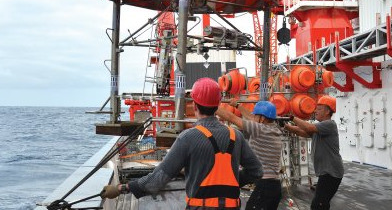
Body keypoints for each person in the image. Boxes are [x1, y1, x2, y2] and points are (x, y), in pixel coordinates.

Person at [101, 77, 263, 209]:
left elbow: (158, 179)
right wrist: (232, 182)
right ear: (218, 105)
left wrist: (124, 188)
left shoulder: (188, 138)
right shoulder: (236, 136)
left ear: (194, 105)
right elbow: (256, 171)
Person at [216, 99, 283, 210]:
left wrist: (209, 105)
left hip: (266, 186)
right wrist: (237, 105)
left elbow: (232, 118)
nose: (253, 118)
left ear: (262, 119)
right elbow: (252, 118)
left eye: (256, 116)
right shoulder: (273, 128)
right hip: (269, 184)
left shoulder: (260, 129)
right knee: (231, 181)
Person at [284, 95, 344, 210]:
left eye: (319, 109)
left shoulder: (329, 124)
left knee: (318, 205)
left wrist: (292, 118)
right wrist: (287, 127)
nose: (315, 111)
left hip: (331, 173)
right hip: (327, 172)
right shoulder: (320, 128)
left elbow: (308, 128)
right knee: (322, 203)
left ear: (327, 111)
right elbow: (303, 132)